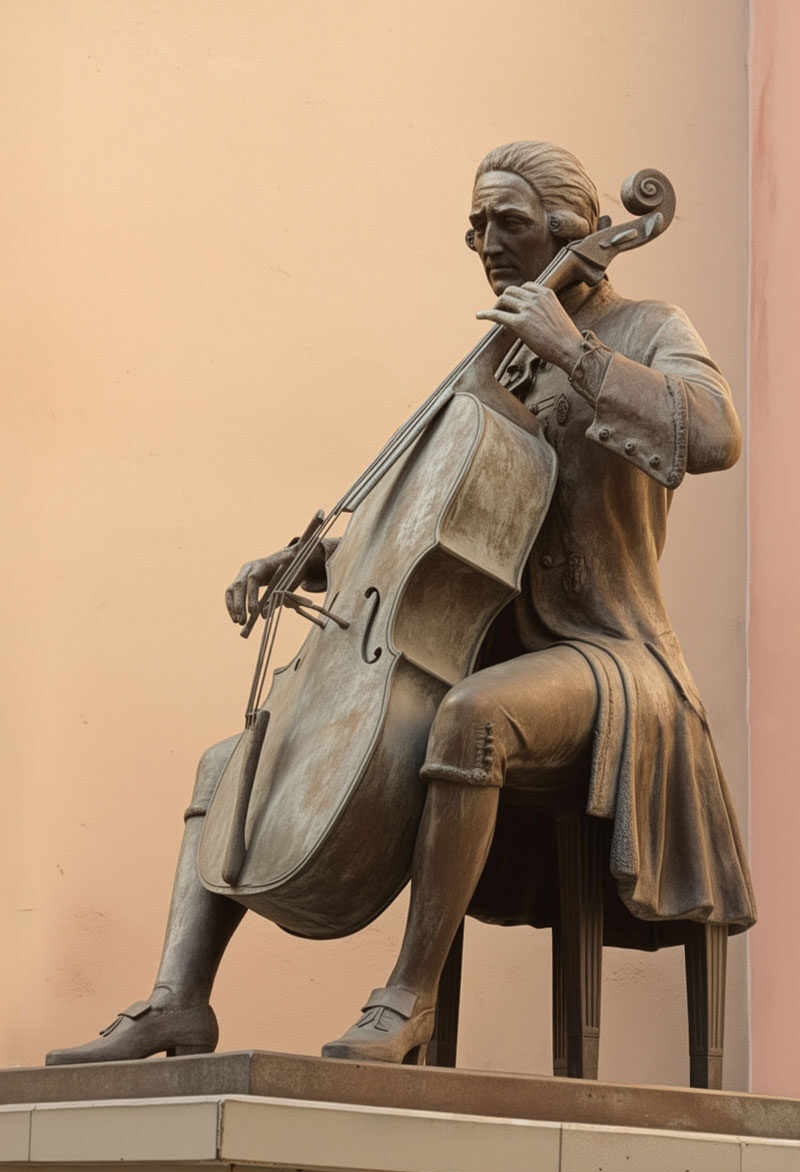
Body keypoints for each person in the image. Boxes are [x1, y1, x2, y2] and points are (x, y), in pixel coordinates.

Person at [46, 140, 755, 1068]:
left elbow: (715, 434)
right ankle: (179, 1000)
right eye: (476, 226)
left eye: (508, 222)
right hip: (487, 649)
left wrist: (574, 352)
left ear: (570, 229)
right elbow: (439, 528)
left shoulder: (646, 325)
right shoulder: (488, 367)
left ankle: (407, 999)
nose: (487, 243)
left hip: (611, 657)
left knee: (472, 718)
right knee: (233, 760)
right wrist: (313, 560)